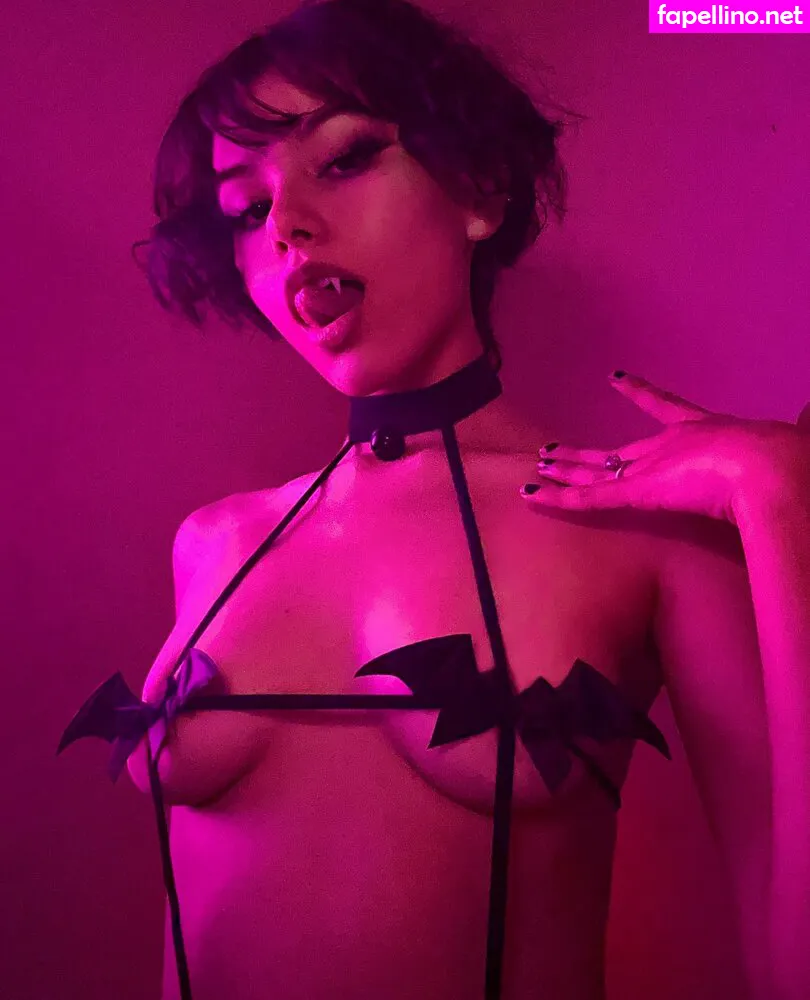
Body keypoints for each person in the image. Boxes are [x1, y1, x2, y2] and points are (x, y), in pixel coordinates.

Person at [59, 1, 778, 999]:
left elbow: (791, 949)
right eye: (244, 209)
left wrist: (777, 495)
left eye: (346, 157)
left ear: (478, 187)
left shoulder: (642, 530)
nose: (286, 224)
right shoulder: (214, 542)